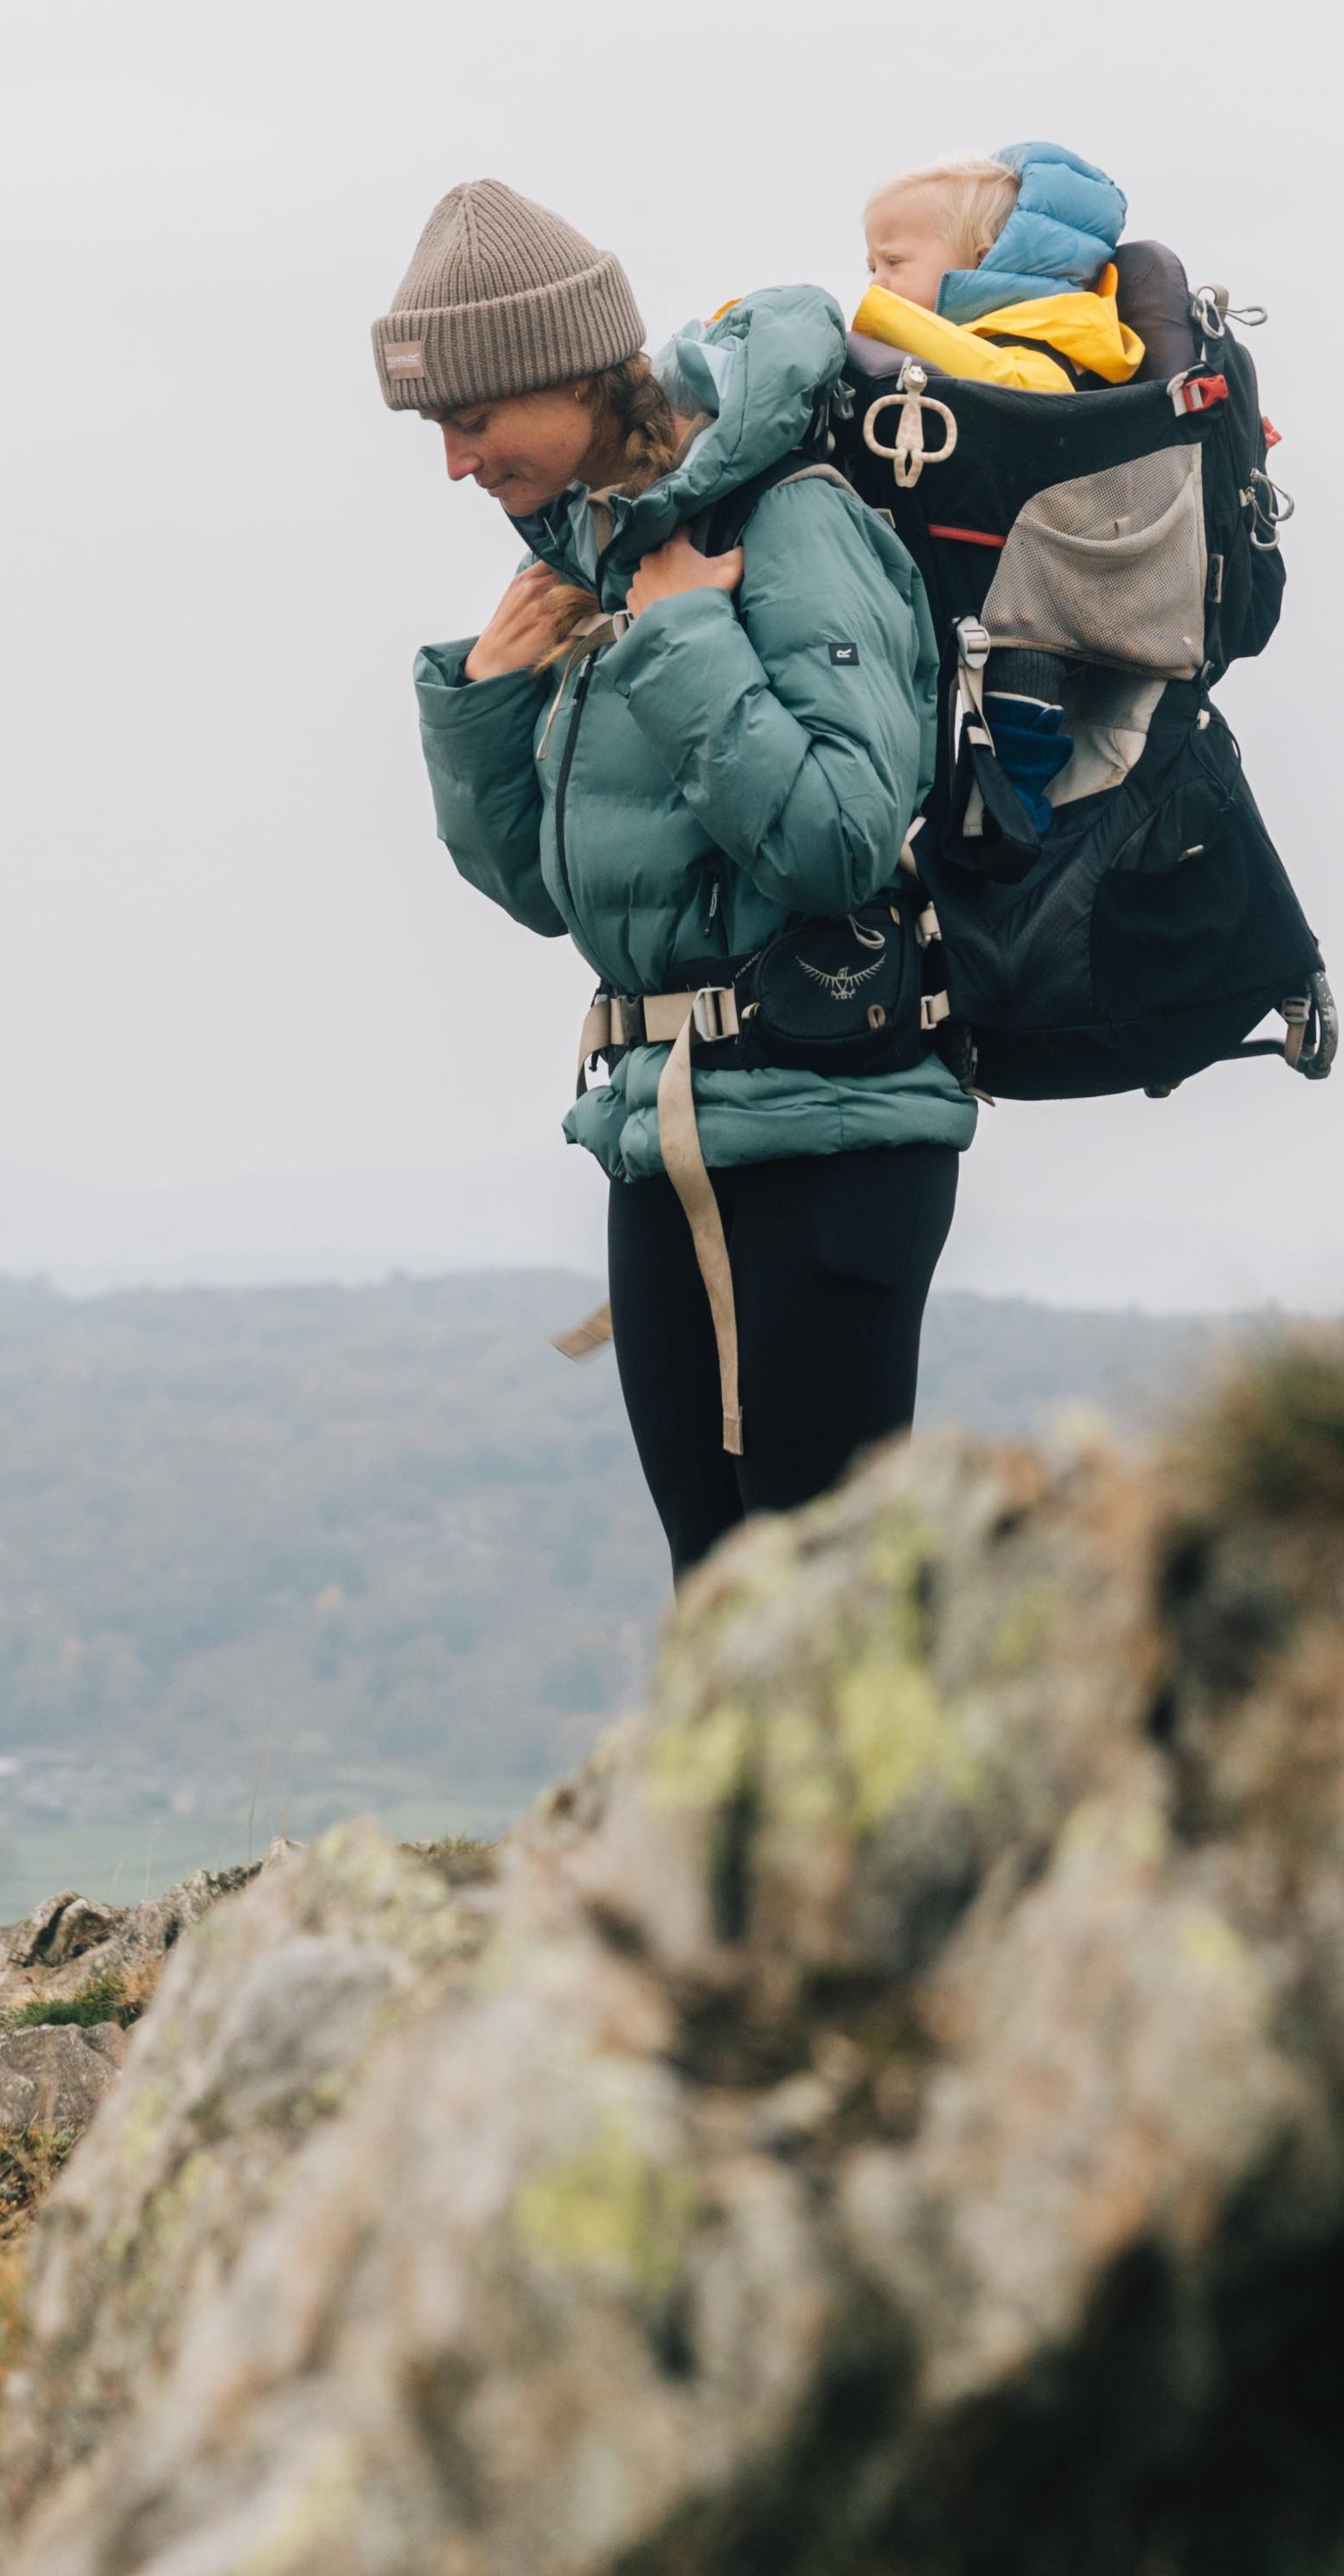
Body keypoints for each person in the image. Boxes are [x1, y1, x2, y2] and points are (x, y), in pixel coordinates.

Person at [375, 175, 973, 1576]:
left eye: (474, 420)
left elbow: (839, 838)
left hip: (829, 1132)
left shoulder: (795, 522)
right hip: (660, 1126)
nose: (457, 465)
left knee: (816, 1606)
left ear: (575, 374)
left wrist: (688, 644)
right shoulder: (615, 555)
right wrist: (481, 705)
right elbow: (553, 891)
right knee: (718, 1590)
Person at [849, 143, 1145, 396]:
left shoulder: (1047, 328)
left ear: (982, 261)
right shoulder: (972, 338)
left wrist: (888, 323)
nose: (876, 285)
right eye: (872, 269)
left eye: (893, 262)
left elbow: (1033, 395)